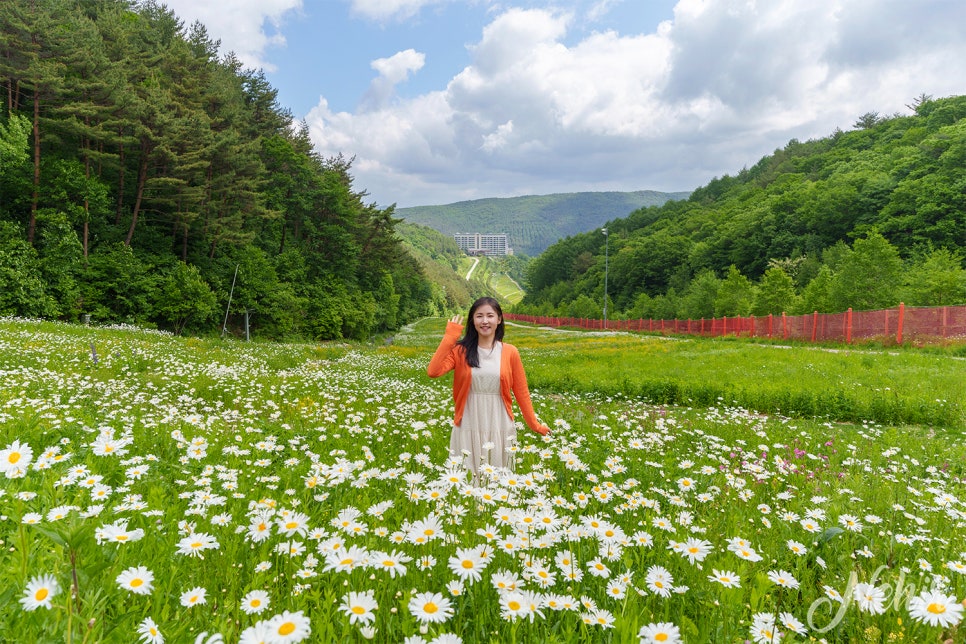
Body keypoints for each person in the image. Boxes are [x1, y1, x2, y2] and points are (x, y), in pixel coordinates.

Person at [428, 297, 550, 474]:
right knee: (467, 477)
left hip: (499, 422)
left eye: (490, 316)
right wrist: (450, 337)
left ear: (499, 319)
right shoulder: (460, 351)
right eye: (479, 316)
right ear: (473, 320)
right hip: (468, 421)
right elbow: (433, 371)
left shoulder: (510, 352)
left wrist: (535, 425)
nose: (485, 321)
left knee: (497, 478)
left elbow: (521, 392)